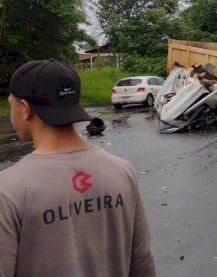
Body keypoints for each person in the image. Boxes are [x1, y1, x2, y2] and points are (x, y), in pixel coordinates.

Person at [0, 60, 155, 277]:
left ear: (25, 109)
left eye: (11, 105)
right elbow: (142, 262)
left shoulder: (8, 190)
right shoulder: (122, 171)